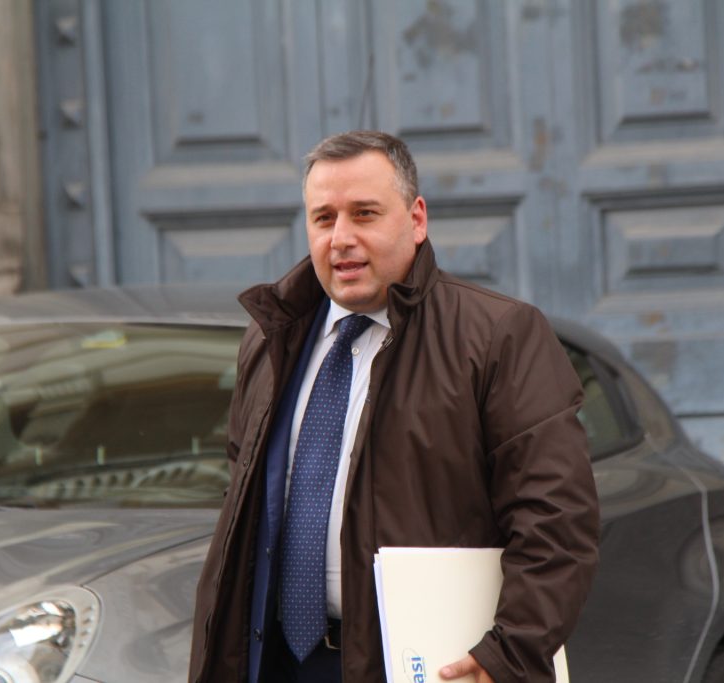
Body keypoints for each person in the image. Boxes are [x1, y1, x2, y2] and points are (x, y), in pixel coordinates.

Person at [188, 131, 599, 683]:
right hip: (277, 663)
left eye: (364, 214)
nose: (341, 238)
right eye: (324, 218)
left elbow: (556, 520)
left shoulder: (499, 336)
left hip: (424, 666)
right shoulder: (270, 339)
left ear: (417, 219)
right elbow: (242, 505)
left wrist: (509, 654)